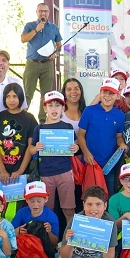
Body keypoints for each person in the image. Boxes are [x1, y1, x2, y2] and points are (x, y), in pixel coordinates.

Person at [29, 91, 79, 227]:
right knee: (47, 209)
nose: (54, 109)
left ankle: (70, 239)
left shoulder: (68, 127)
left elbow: (76, 145)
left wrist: (76, 148)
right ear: (45, 108)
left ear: (63, 108)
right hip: (45, 174)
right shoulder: (39, 128)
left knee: (68, 208)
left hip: (65, 172)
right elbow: (30, 150)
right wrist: (36, 148)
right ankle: (49, 239)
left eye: (58, 105)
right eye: (50, 105)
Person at [54, 185, 117, 258]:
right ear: (83, 205)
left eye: (98, 204)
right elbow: (65, 256)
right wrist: (70, 242)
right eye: (89, 204)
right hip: (73, 254)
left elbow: (109, 254)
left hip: (93, 256)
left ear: (105, 205)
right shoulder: (76, 220)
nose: (93, 209)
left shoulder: (109, 223)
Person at [77, 78, 128, 196]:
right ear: (100, 93)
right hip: (90, 164)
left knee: (107, 197)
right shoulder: (89, 111)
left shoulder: (120, 115)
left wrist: (122, 144)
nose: (107, 96)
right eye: (105, 92)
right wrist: (87, 153)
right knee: (89, 197)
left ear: (117, 95)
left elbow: (118, 137)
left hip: (109, 166)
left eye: (111, 93)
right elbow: (80, 135)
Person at [21, 2, 62, 122]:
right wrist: (36, 29)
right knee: (27, 92)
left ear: (48, 13)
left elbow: (59, 45)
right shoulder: (30, 25)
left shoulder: (54, 28)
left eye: (45, 11)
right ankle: (22, 117)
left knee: (46, 93)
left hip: (47, 64)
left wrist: (56, 54)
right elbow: (23, 39)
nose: (43, 13)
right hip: (32, 63)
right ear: (37, 12)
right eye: (40, 11)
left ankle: (43, 120)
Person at [0, 83, 38, 182]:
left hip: (23, 173)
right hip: (1, 173)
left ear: (20, 97)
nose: (11, 100)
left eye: (15, 96)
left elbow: (30, 146)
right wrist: (2, 170)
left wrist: (20, 171)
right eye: (8, 96)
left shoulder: (29, 118)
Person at [11, 181, 61, 254]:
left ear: (46, 199)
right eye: (32, 201)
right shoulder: (21, 212)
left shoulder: (51, 216)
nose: (35, 204)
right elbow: (9, 234)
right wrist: (18, 231)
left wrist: (49, 232)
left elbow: (54, 243)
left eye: (39, 201)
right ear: (27, 200)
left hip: (43, 251)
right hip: (24, 249)